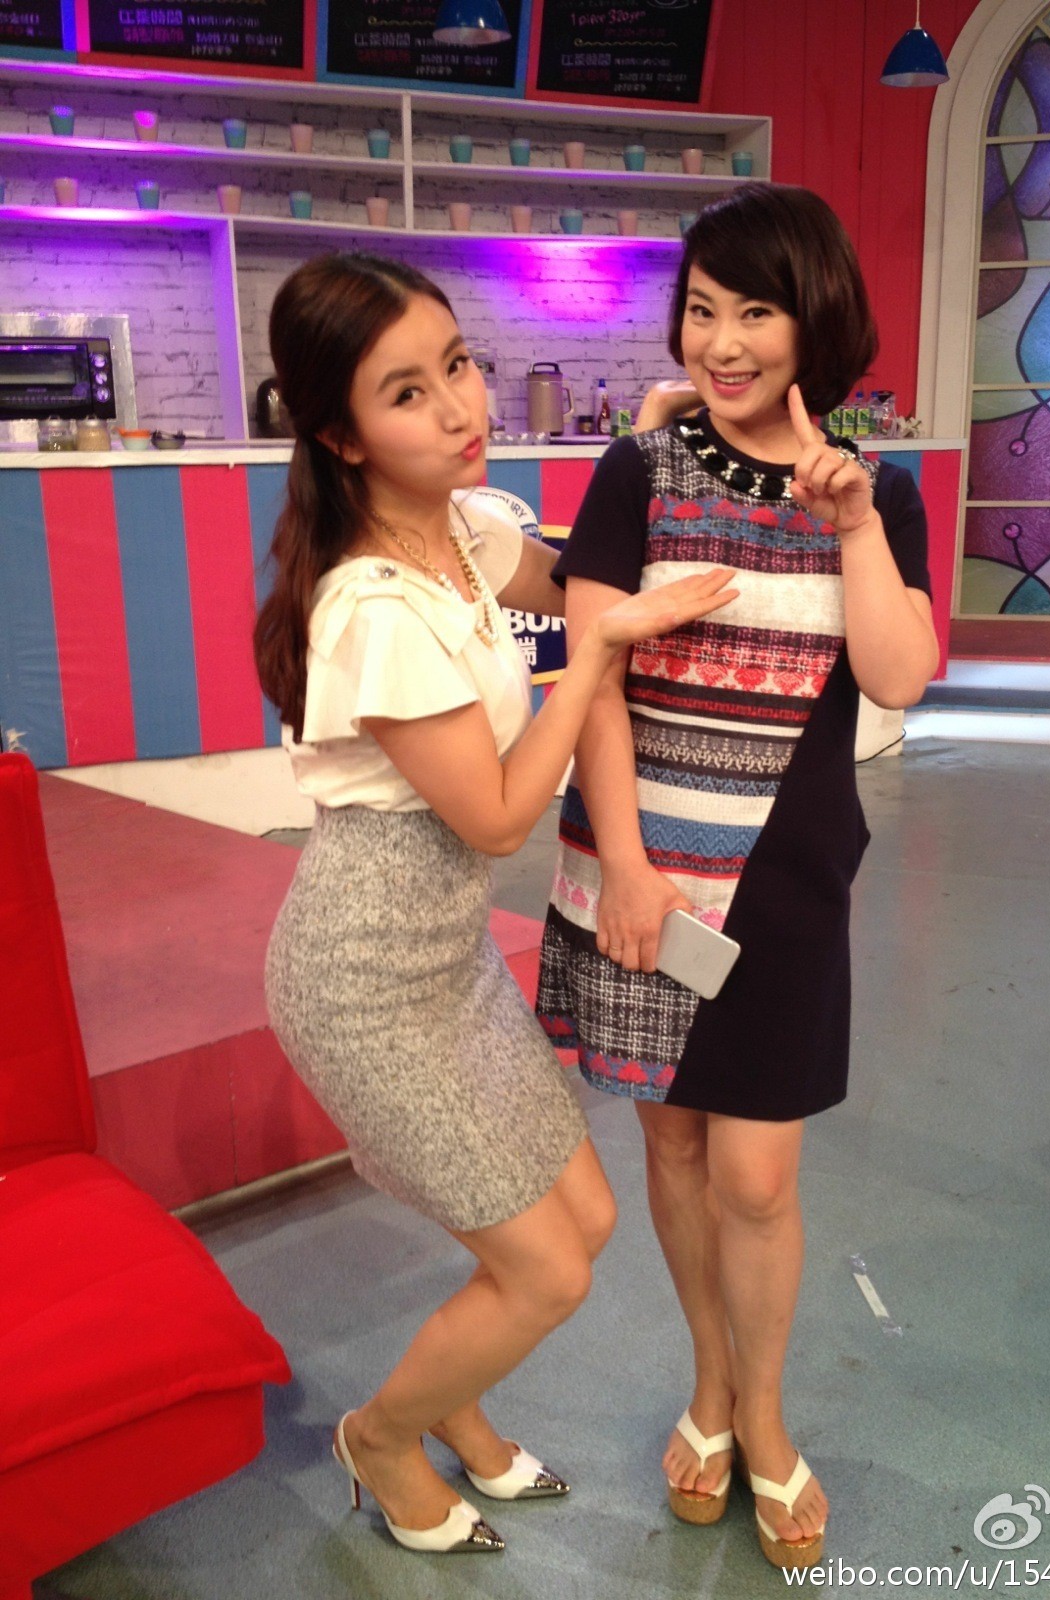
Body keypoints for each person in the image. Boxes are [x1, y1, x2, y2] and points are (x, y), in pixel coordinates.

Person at [253, 251, 736, 1558]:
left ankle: (454, 1402)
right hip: (362, 984)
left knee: (585, 1218)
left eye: (458, 364)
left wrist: (645, 456)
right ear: (342, 435)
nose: (460, 407)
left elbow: (581, 580)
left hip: (446, 962)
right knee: (547, 1266)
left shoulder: (462, 530)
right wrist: (598, 654)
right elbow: (503, 816)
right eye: (408, 392)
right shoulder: (373, 607)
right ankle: (382, 1436)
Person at [536, 185, 939, 1569]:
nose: (720, 341)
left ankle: (762, 1415)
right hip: (640, 874)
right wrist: (627, 868)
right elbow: (594, 679)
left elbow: (898, 675)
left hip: (784, 884)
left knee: (758, 1179)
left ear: (813, 318)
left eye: (753, 311)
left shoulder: (879, 492)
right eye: (701, 309)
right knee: (673, 1148)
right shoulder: (639, 472)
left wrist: (855, 524)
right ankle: (709, 1392)